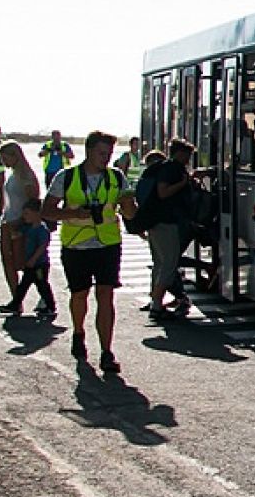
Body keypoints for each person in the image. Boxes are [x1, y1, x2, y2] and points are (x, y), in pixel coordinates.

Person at [42, 130, 136, 374]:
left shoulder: (116, 177)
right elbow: (47, 211)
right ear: (89, 151)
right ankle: (78, 332)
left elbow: (130, 212)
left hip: (107, 245)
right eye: (101, 153)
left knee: (106, 295)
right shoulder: (66, 177)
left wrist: (130, 206)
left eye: (109, 154)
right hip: (76, 245)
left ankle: (107, 352)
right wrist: (73, 213)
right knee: (79, 294)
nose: (106, 158)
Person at [138, 140, 195, 316]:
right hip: (166, 222)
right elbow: (163, 192)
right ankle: (156, 304)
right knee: (169, 264)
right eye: (187, 155)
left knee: (159, 263)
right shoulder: (172, 169)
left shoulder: (161, 167)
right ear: (179, 153)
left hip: (154, 221)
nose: (188, 160)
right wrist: (183, 184)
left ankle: (155, 301)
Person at [0, 141, 42, 301]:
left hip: (21, 224)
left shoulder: (26, 176)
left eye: (5, 157)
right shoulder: (13, 174)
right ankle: (15, 298)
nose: (3, 161)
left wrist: (22, 221)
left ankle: (43, 295)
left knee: (23, 262)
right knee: (7, 260)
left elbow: (33, 201)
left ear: (15, 156)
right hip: (8, 221)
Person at [5, 197, 56, 319]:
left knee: (42, 285)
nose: (24, 216)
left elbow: (42, 246)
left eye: (27, 213)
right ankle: (15, 304)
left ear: (37, 214)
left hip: (39, 264)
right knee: (24, 285)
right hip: (30, 263)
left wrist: (34, 259)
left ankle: (50, 306)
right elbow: (19, 234)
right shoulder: (28, 228)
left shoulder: (42, 230)